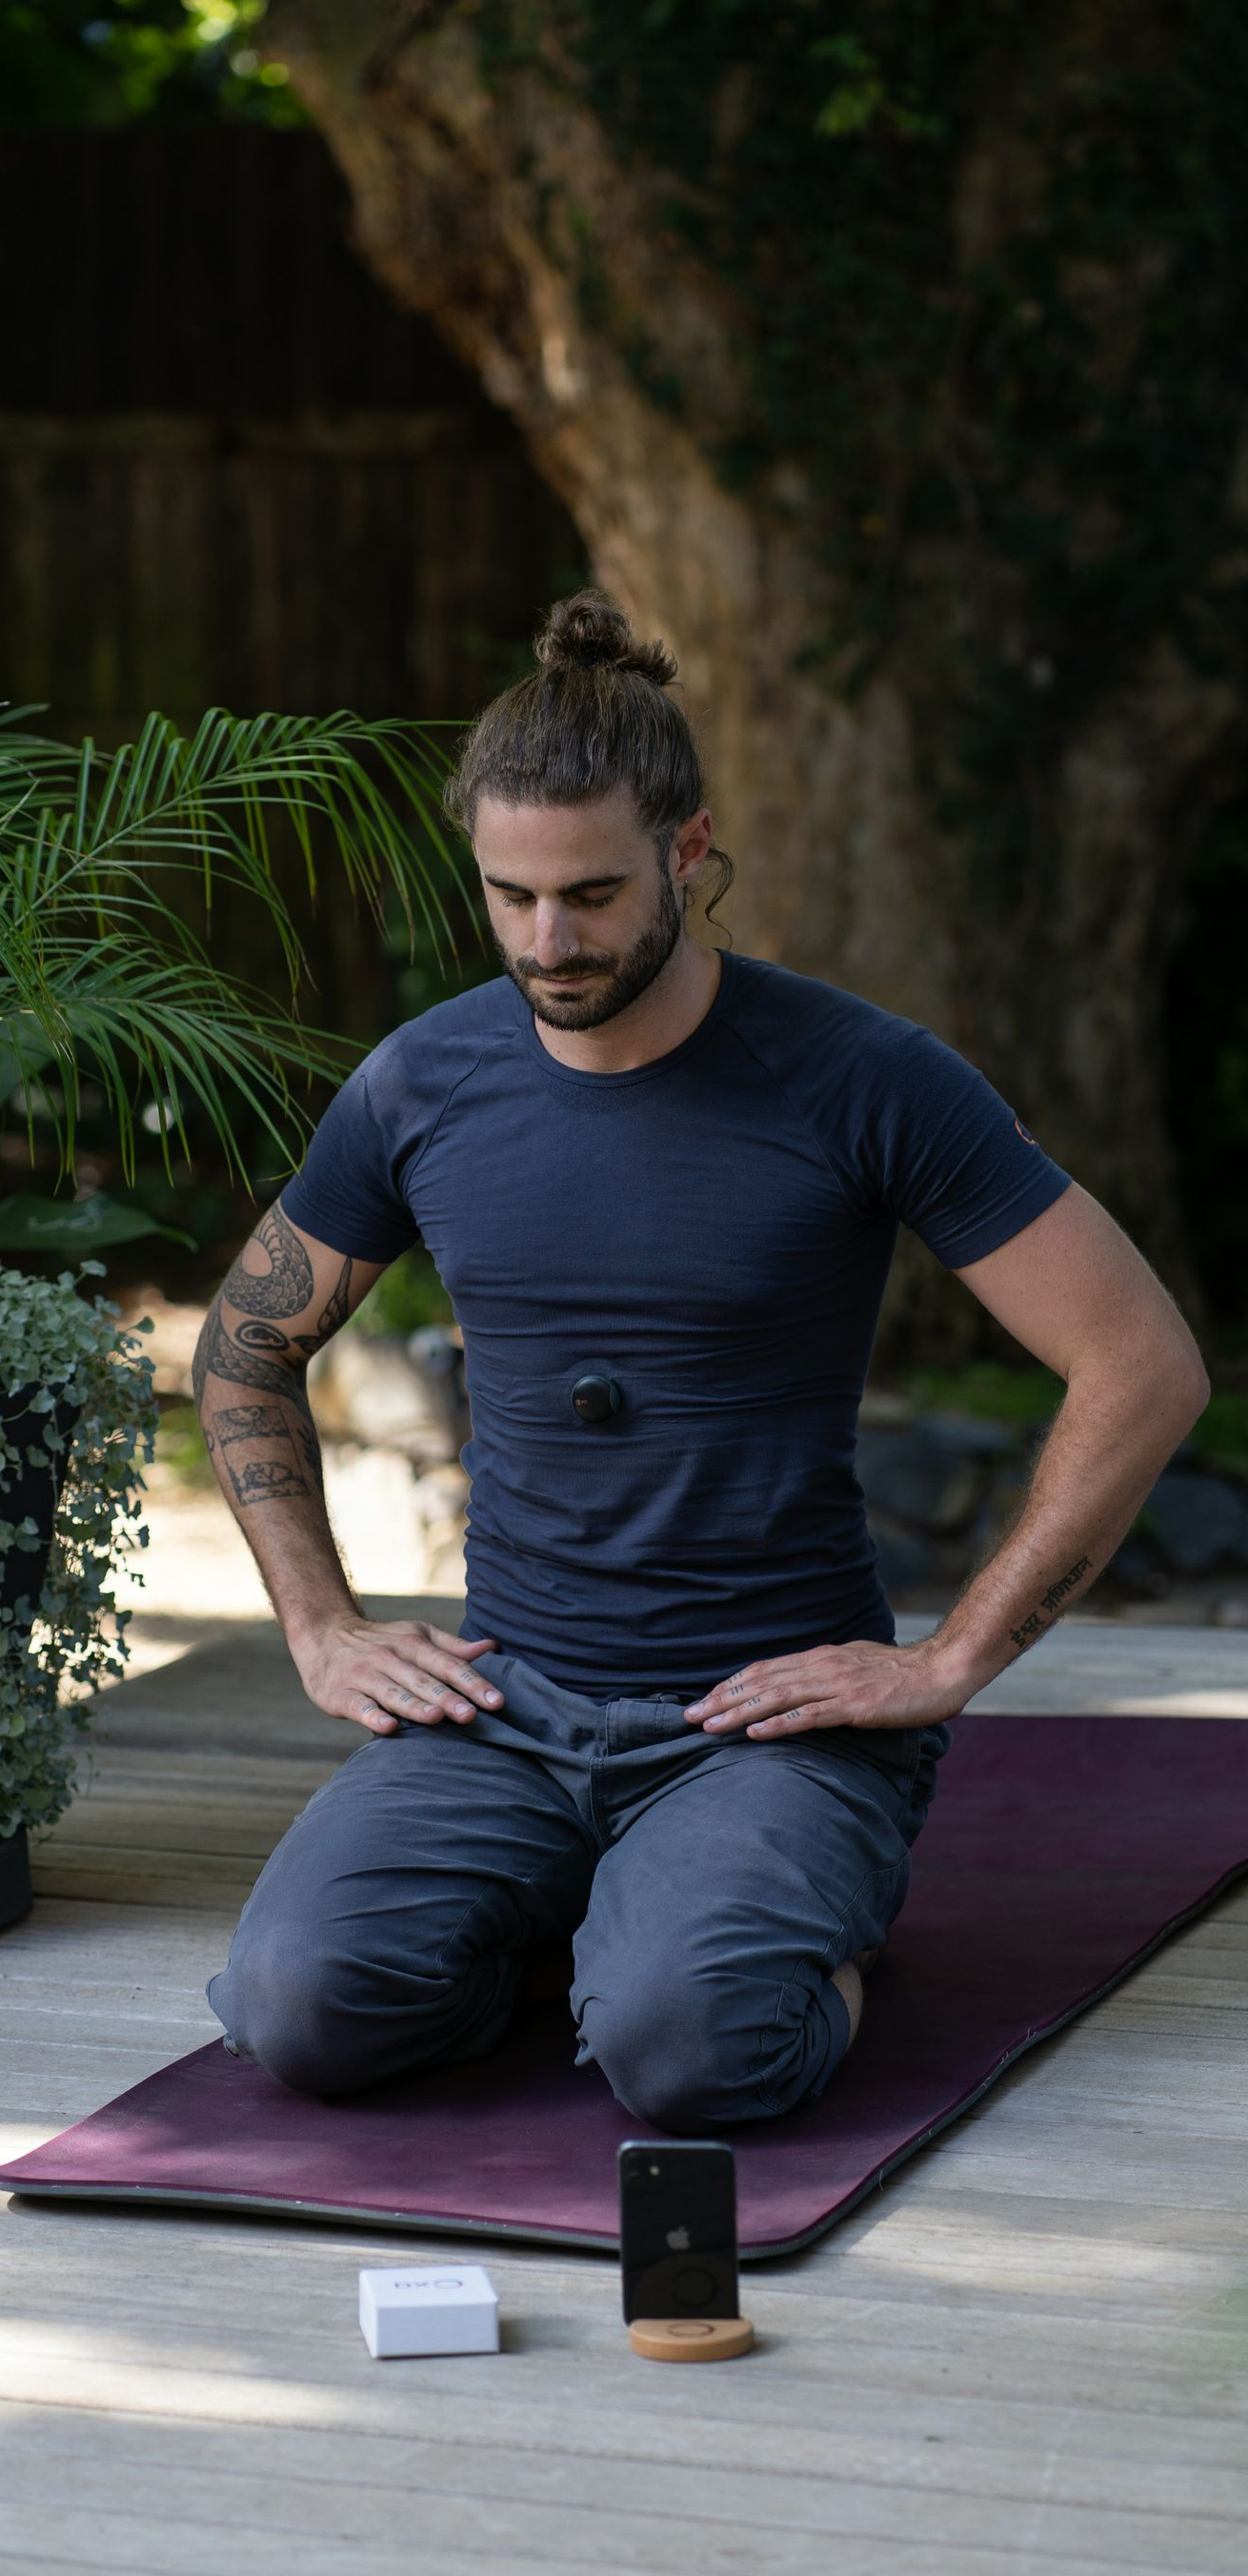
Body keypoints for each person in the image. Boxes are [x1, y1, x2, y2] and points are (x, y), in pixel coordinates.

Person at [197, 589, 1209, 2131]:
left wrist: (947, 1664)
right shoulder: (421, 1082)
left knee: (693, 2054)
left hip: (767, 1714)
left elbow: (1141, 1363)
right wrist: (323, 1626)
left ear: (688, 847)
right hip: (505, 1704)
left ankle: (745, 1942)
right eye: (511, 896)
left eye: (592, 894)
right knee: (302, 2008)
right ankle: (601, 1928)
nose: (550, 941)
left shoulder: (862, 1077)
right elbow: (242, 1346)